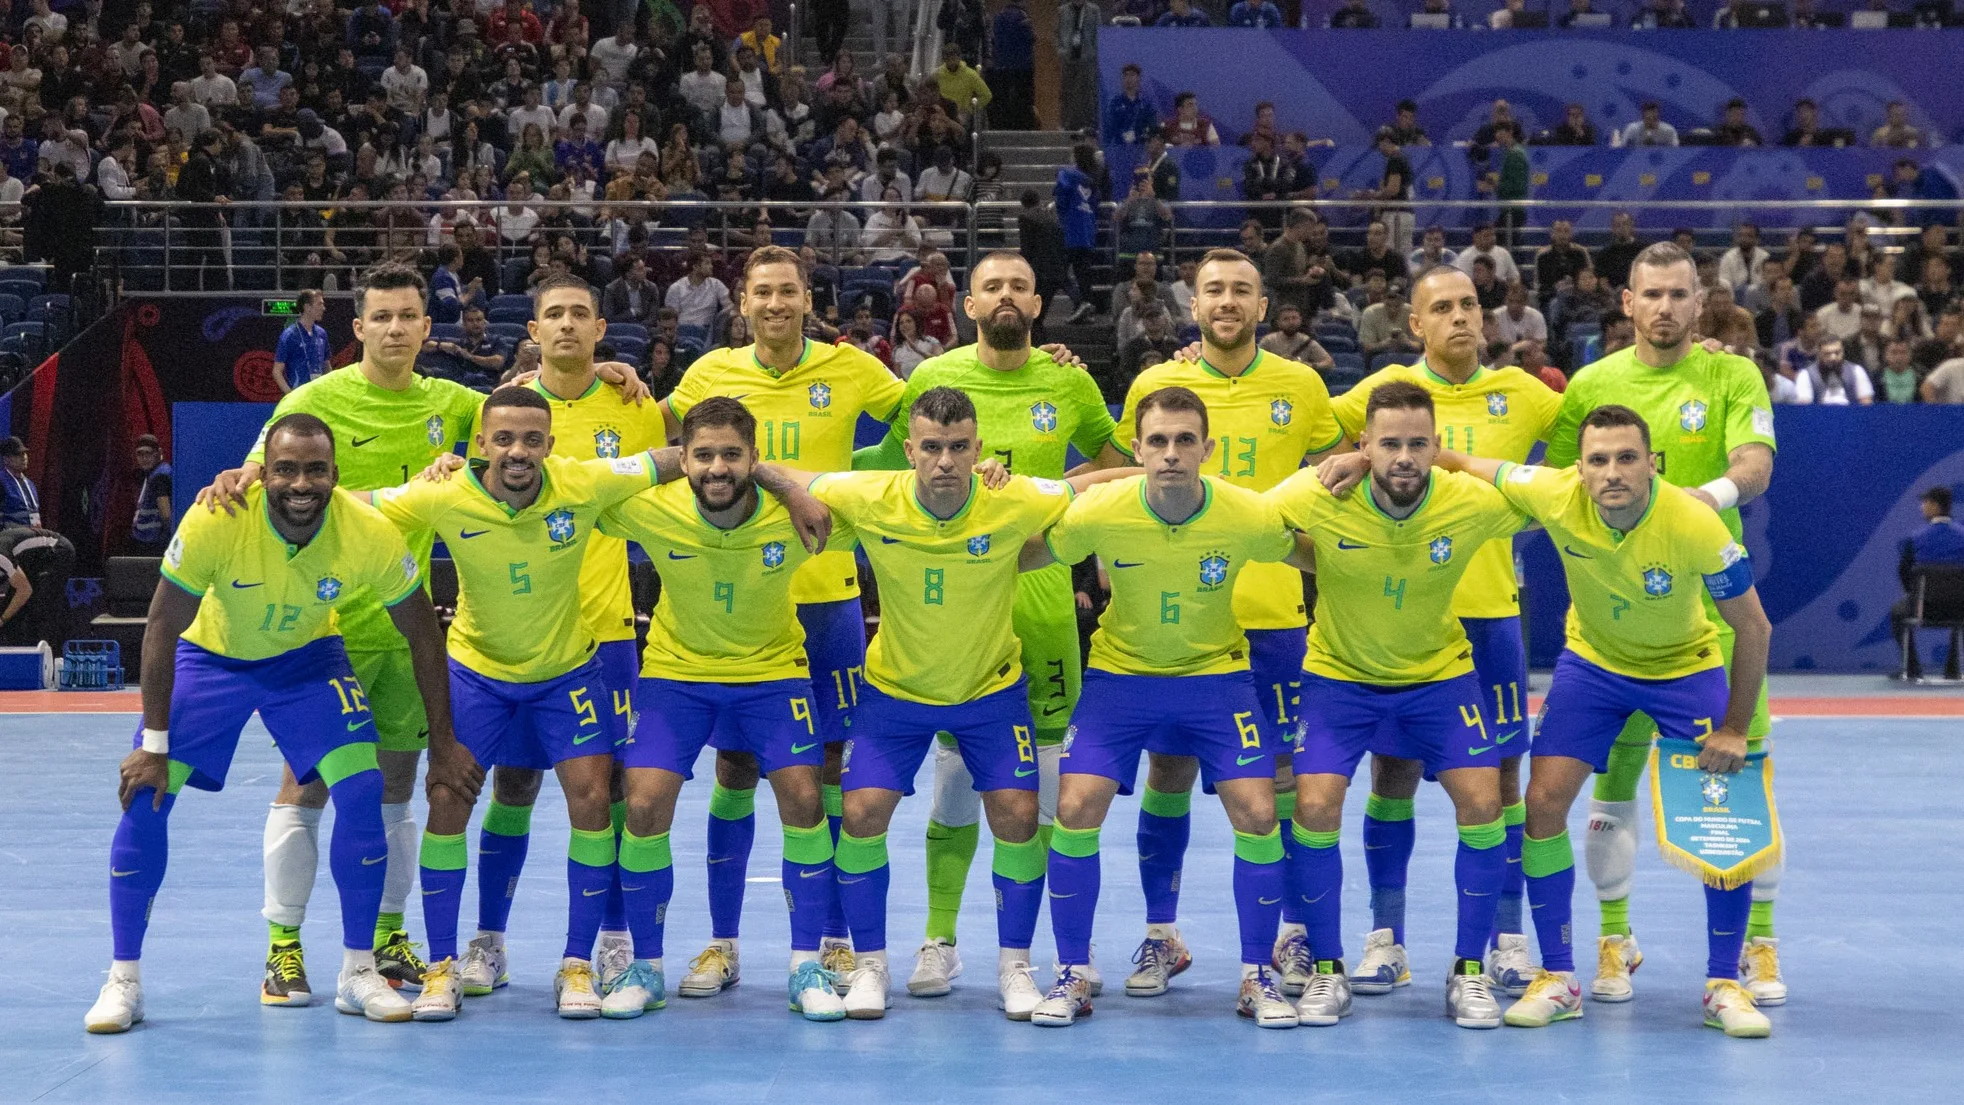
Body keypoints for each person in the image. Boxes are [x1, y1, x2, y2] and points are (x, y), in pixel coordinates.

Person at [196, 263, 647, 1004]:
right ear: (359, 327)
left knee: (402, 789)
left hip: (410, 632)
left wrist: (604, 365)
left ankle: (389, 934)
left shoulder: (456, 402)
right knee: (306, 782)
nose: (397, 329)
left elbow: (527, 408)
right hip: (328, 630)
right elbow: (264, 483)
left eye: (409, 316)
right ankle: (283, 947)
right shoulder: (313, 398)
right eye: (383, 317)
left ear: (425, 328)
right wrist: (232, 482)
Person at [83, 413, 467, 1033]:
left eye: (316, 469)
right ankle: (122, 980)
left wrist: (443, 742)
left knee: (365, 788)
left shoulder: (366, 532)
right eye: (286, 468)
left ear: (335, 475)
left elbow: (423, 632)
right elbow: (160, 626)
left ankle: (357, 971)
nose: (301, 483)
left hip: (307, 663)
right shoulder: (217, 517)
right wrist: (154, 743)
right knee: (144, 799)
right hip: (211, 661)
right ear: (266, 472)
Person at [1433, 406, 1775, 1037]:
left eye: (1625, 458)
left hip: (1683, 666)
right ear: (1580, 468)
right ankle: (1559, 976)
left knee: (1722, 814)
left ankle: (1724, 984)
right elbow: (1456, 461)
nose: (1611, 472)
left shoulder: (1693, 521)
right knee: (1542, 803)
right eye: (1597, 460)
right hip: (1592, 666)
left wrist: (1732, 727)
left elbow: (1753, 626)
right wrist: (1357, 457)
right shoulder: (1553, 492)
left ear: (1651, 463)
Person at [795, 386, 1114, 1019]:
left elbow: (1105, 483)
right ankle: (870, 968)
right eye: (933, 448)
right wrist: (759, 473)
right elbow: (781, 473)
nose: (945, 461)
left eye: (960, 448)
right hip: (895, 696)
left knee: (1019, 818)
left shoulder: (1014, 497)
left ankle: (1015, 968)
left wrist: (1181, 472)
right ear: (909, 451)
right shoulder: (868, 495)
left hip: (991, 695)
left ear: (978, 451)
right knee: (859, 815)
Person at [653, 246, 908, 998]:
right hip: (734, 598)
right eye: (761, 291)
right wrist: (621, 377)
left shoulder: (854, 367)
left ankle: (830, 940)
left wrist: (862, 486)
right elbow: (667, 442)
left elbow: (923, 418)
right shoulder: (708, 374)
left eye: (787, 291)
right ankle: (724, 943)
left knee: (823, 771)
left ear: (808, 298)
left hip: (824, 597)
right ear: (742, 299)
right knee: (733, 770)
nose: (774, 303)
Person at [860, 253, 1116, 998]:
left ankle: (1052, 945)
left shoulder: (1070, 380)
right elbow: (884, 467)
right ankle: (939, 938)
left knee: (1043, 793)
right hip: (955, 612)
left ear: (1039, 303)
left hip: (1040, 605)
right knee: (953, 787)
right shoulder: (933, 387)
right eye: (992, 286)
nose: (1006, 295)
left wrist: (1051, 499)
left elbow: (1119, 466)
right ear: (968, 303)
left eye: (1020, 286)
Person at [364, 388, 664, 1022]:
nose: (517, 451)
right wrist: (252, 478)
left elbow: (678, 460)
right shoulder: (443, 493)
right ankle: (444, 965)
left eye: (532, 439)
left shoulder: (583, 483)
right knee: (447, 797)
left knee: (591, 796)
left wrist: (784, 482)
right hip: (477, 676)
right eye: (503, 439)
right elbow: (357, 505)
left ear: (551, 446)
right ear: (479, 446)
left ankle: (577, 963)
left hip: (568, 676)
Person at [1313, 265, 1563, 998]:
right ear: (1414, 323)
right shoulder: (1378, 390)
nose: (1460, 316)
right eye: (1442, 307)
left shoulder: (1524, 392)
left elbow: (1590, 437)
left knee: (1501, 782)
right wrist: (1362, 453)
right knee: (1392, 777)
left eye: (1470, 305)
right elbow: (1308, 436)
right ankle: (1385, 937)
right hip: (1400, 622)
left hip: (1489, 619)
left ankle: (1506, 938)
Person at [1545, 242, 1785, 1006]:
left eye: (1679, 294)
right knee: (1608, 792)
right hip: (1617, 625)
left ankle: (1757, 946)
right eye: (1651, 294)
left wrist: (1692, 505)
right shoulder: (1592, 384)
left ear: (1699, 301)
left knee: (1740, 787)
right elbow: (1561, 484)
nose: (1665, 308)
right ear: (1627, 301)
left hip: (1713, 617)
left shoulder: (1730, 372)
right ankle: (1615, 939)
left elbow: (1754, 466)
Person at [1026, 387, 1313, 1027]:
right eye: (1157, 441)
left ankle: (1255, 976)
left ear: (1208, 450)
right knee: (1073, 806)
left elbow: (1321, 555)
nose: (1172, 453)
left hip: (1217, 679)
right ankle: (1072, 974)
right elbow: (1022, 554)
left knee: (1261, 812)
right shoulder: (1101, 510)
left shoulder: (1247, 513)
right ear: (1137, 450)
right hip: (1120, 679)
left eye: (1186, 440)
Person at [1106, 251, 1347, 998]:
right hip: (1177, 617)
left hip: (1273, 616)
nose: (1228, 301)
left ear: (1265, 305)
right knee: (1168, 773)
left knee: (1277, 787)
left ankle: (1290, 940)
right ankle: (1160, 935)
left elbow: (1338, 476)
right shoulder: (1157, 385)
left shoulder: (1301, 385)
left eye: (1242, 289)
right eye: (1214, 289)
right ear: (1194, 302)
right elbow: (1121, 485)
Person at [1266, 381, 1527, 1030]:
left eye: (1418, 443)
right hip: (1338, 678)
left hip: (1439, 678)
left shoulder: (1466, 500)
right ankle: (1328, 970)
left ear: (1438, 447)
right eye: (1388, 444)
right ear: (1363, 445)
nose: (1404, 456)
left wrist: (1464, 464)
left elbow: (1555, 489)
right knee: (1314, 802)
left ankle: (1469, 970)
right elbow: (1242, 516)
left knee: (1485, 799)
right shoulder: (1318, 494)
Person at [582, 396, 847, 1020]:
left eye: (733, 455)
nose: (717, 468)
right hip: (676, 676)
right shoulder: (651, 509)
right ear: (683, 459)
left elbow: (885, 492)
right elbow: (577, 490)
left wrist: (789, 484)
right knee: (643, 805)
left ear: (755, 460)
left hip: (774, 674)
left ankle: (804, 962)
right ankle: (645, 967)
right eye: (703, 455)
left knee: (806, 800)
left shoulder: (796, 515)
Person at [1893, 486, 1964, 679]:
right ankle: (1953, 669)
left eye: (1925, 503)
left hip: (1923, 608)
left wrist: (1914, 596)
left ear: (1935, 506)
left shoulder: (1915, 539)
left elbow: (1903, 572)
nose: (1922, 507)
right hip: (1962, 608)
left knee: (1897, 613)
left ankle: (1912, 670)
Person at [274, 290, 332, 393]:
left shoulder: (322, 333)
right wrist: (290, 396)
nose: (323, 308)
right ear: (307, 307)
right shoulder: (289, 335)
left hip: (318, 396)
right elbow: (277, 372)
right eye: (319, 304)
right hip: (298, 396)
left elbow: (326, 365)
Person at [1791, 337, 1873, 405]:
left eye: (1837, 353)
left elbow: (1866, 404)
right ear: (1819, 354)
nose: (1833, 357)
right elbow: (1804, 407)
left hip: (1851, 418)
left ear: (1843, 352)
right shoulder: (1805, 374)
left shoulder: (1857, 371)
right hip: (1819, 419)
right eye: (1827, 354)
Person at [130, 435, 175, 556]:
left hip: (152, 541)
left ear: (158, 453)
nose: (144, 458)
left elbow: (166, 515)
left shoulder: (159, 477)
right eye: (140, 454)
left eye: (148, 453)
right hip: (149, 539)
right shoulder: (153, 473)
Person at [0, 437, 41, 527]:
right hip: (10, 534)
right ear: (6, 459)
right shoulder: (2, 481)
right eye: (18, 454)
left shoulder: (30, 484)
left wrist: (39, 531)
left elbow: (34, 511)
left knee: (60, 540)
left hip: (31, 533)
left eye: (25, 453)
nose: (24, 457)